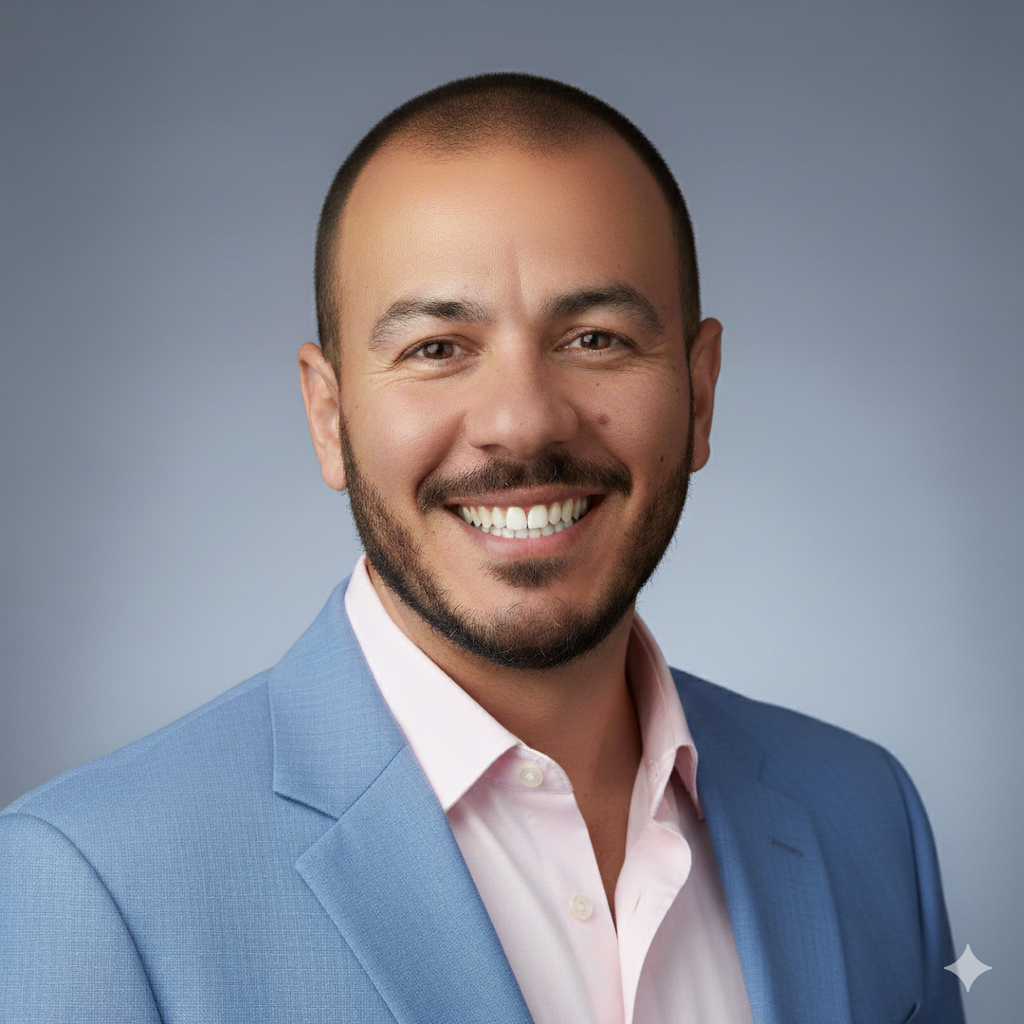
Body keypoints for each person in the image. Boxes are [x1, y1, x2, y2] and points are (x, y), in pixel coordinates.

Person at [0, 73, 963, 1024]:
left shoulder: (867, 813)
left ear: (699, 393)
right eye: (437, 349)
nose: (522, 421)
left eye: (594, 338)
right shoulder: (89, 886)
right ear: (329, 417)